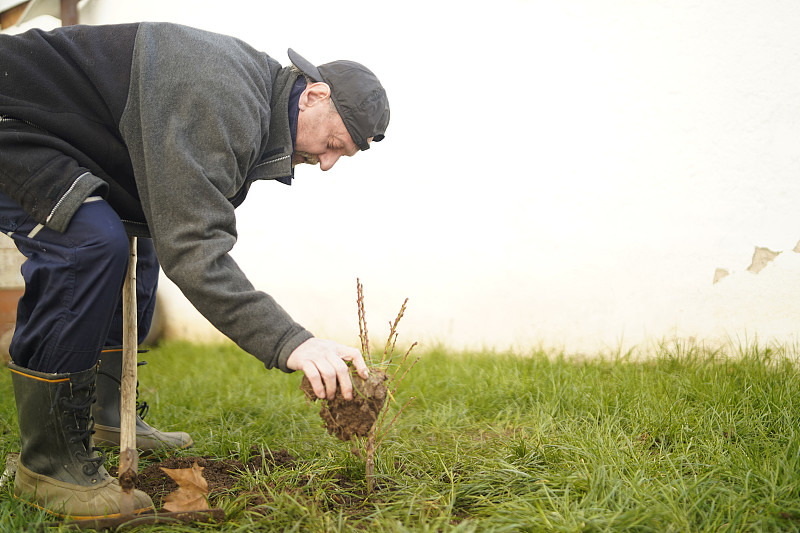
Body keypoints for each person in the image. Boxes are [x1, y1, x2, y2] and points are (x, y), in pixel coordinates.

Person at [0, 21, 389, 519]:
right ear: (314, 94)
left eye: (343, 155)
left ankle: (105, 414)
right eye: (334, 142)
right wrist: (292, 341)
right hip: (13, 118)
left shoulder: (256, 103)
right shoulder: (225, 100)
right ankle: (48, 465)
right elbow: (197, 250)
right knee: (91, 243)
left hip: (58, 137)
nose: (329, 163)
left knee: (140, 239)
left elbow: (178, 225)